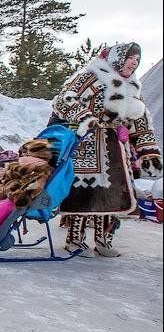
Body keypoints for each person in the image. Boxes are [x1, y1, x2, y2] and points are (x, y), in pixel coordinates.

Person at [50, 42, 162, 257]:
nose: (134, 63)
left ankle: (104, 240)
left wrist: (148, 149)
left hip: (116, 149)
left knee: (112, 195)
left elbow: (140, 120)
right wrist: (85, 117)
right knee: (85, 193)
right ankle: (75, 239)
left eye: (137, 60)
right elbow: (64, 99)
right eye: (131, 58)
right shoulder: (92, 75)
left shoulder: (132, 87)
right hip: (88, 143)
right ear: (118, 58)